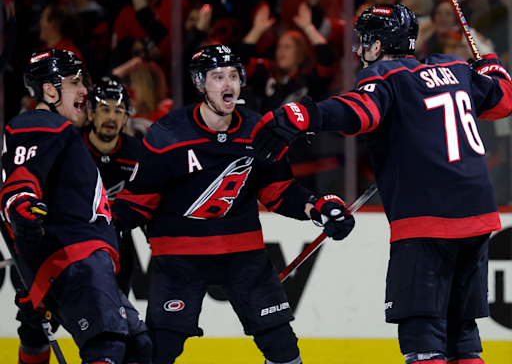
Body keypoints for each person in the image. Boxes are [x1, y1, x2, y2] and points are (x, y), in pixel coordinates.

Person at [250, 4, 512, 364]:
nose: (359, 50)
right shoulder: (454, 68)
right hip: (479, 216)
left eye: (364, 41)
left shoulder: (385, 75)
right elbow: (503, 99)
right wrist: (492, 65)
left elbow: (361, 112)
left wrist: (304, 114)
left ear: (380, 43)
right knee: (461, 335)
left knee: (423, 337)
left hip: (427, 221)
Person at [111, 44, 355, 364]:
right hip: (179, 260)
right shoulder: (167, 135)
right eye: (217, 77)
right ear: (201, 84)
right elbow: (138, 202)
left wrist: (319, 207)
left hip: (244, 256)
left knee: (283, 349)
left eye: (233, 75)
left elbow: (278, 191)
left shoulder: (260, 131)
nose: (228, 84)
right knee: (160, 351)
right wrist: (95, 225)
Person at [1, 49, 152, 364]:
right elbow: (20, 180)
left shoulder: (60, 130)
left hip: (82, 258)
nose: (85, 90)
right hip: (77, 258)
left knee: (136, 344)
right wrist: (22, 204)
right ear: (50, 90)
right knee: (108, 344)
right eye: (74, 82)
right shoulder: (41, 122)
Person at [84, 77, 144, 295]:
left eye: (119, 111)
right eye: (104, 109)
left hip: (119, 242)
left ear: (126, 117)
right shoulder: (71, 148)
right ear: (90, 113)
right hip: (75, 240)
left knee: (118, 314)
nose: (111, 117)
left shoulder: (139, 152)